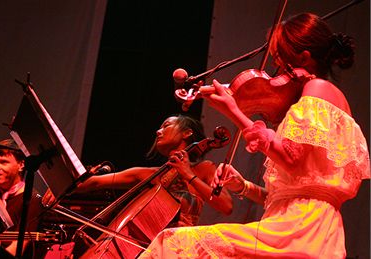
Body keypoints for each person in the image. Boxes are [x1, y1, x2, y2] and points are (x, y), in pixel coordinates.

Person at [139, 13, 370, 258]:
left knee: (173, 245)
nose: (277, 67)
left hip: (300, 230)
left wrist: (235, 111)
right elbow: (288, 194)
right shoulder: (325, 96)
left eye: (280, 58)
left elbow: (292, 159)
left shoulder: (317, 88)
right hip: (307, 230)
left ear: (304, 57)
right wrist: (243, 186)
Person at [44, 114, 233, 228]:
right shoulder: (146, 174)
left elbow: (226, 206)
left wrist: (188, 174)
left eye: (166, 125)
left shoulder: (205, 169)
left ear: (187, 133)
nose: (158, 131)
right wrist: (60, 185)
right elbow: (92, 183)